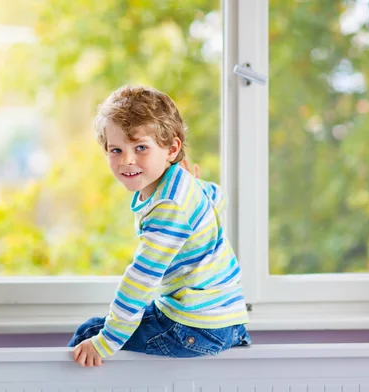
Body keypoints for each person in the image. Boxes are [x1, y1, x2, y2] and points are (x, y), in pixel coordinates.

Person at [69, 85, 250, 367]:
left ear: (172, 148)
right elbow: (219, 198)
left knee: (90, 333)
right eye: (116, 150)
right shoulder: (181, 183)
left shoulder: (168, 205)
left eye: (140, 148)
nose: (127, 160)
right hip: (227, 320)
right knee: (112, 328)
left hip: (194, 327)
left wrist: (105, 342)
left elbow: (142, 278)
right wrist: (195, 186)